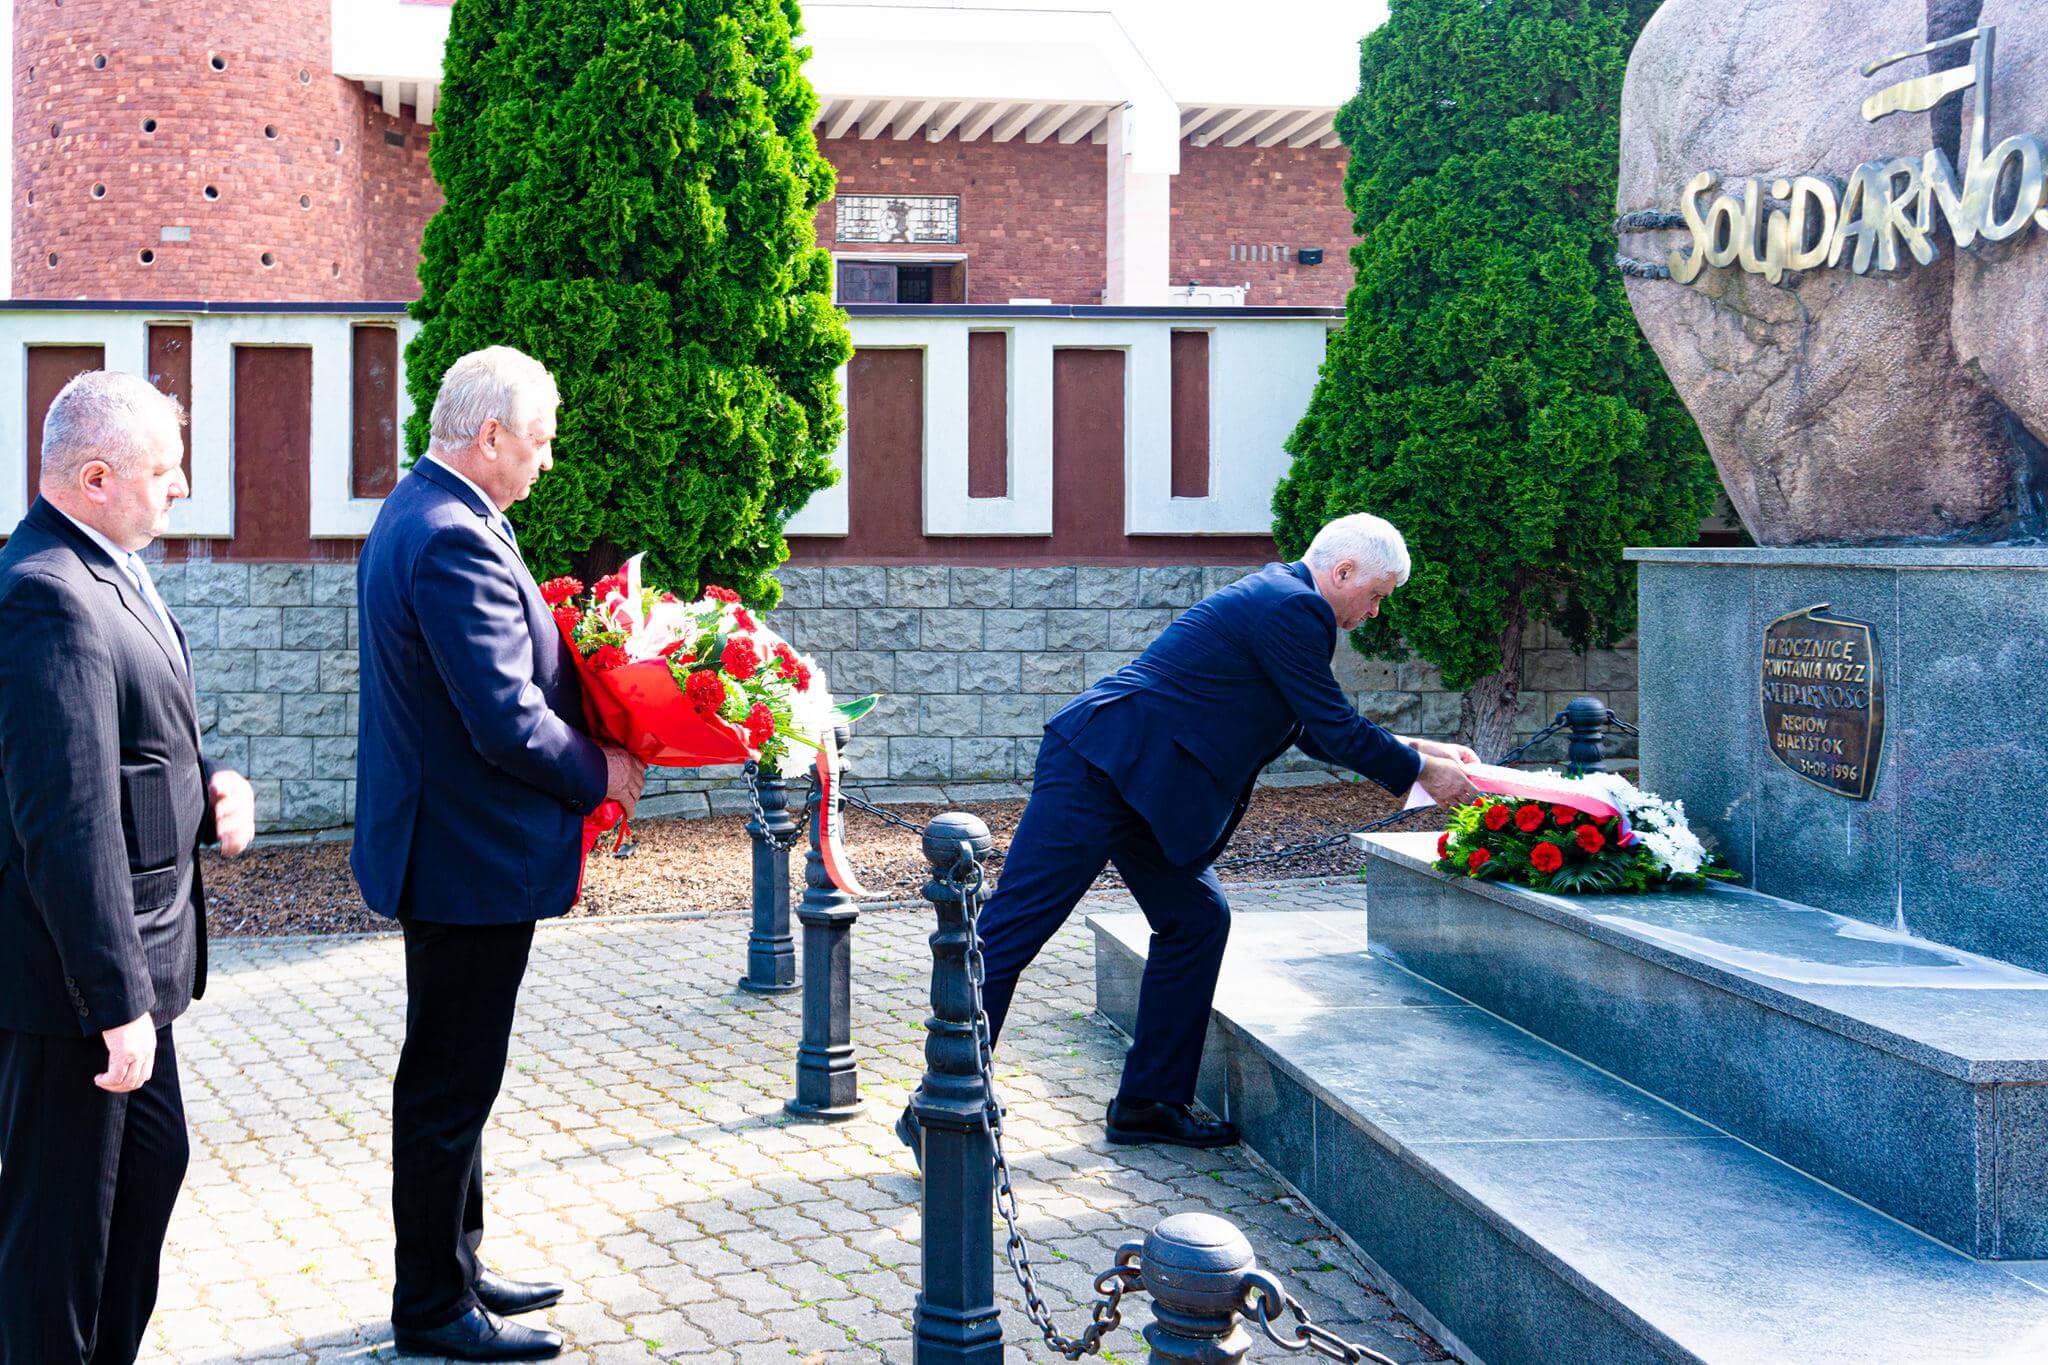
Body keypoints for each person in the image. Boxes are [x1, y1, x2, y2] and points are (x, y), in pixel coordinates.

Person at [900, 514, 1480, 1155]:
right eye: (1374, 595)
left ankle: (1148, 1104)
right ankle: (938, 1110)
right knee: (1010, 933)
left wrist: (1421, 750)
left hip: (1148, 785)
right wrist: (1422, 772)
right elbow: (1333, 727)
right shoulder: (1294, 608)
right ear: (1342, 572)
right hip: (1100, 766)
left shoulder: (1282, 600)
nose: (1373, 612)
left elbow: (1313, 727)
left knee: (1197, 920)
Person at [352, 347, 644, 1362]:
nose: (546, 459)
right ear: (490, 435)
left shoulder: (431, 510)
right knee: (447, 1086)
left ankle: (456, 1263)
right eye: (539, 438)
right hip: (462, 857)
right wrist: (603, 770)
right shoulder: (449, 536)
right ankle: (432, 1307)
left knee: (456, 1079)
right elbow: (507, 719)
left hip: (452, 849)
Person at [0, 371, 258, 1363]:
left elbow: (134, 744)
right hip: (79, 988)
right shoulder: (45, 593)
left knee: (148, 1174)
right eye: (165, 469)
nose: (182, 485)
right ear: (97, 478)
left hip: (137, 974)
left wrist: (211, 782)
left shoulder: (105, 567)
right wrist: (113, 1002)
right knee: (60, 1237)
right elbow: (65, 819)